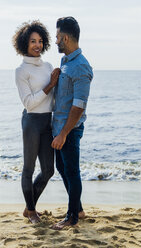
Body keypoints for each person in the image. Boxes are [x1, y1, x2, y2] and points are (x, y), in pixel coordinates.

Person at [12, 20, 60, 224]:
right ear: (25, 44)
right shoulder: (21, 71)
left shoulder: (48, 66)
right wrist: (50, 85)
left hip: (47, 122)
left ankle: (28, 207)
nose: (37, 45)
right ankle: (32, 211)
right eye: (32, 41)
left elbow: (55, 97)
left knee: (49, 169)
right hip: (31, 122)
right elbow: (29, 103)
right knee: (29, 168)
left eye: (40, 41)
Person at [51, 16, 93, 230]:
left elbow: (78, 106)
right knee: (62, 168)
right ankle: (78, 209)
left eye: (57, 37)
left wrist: (64, 134)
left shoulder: (81, 67)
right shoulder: (66, 62)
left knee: (72, 171)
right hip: (59, 127)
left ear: (65, 38)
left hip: (70, 130)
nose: (55, 41)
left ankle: (72, 218)